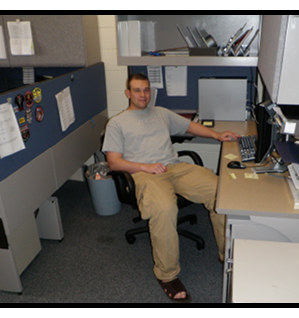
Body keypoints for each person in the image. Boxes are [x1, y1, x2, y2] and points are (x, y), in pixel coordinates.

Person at [102, 74, 240, 303]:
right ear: (128, 93)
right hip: (145, 174)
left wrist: (217, 135)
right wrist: (144, 166)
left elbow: (190, 126)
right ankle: (167, 276)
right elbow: (114, 162)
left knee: (221, 193)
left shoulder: (161, 113)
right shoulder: (116, 123)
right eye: (137, 90)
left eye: (146, 90)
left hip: (173, 168)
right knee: (164, 209)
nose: (142, 95)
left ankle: (227, 254)